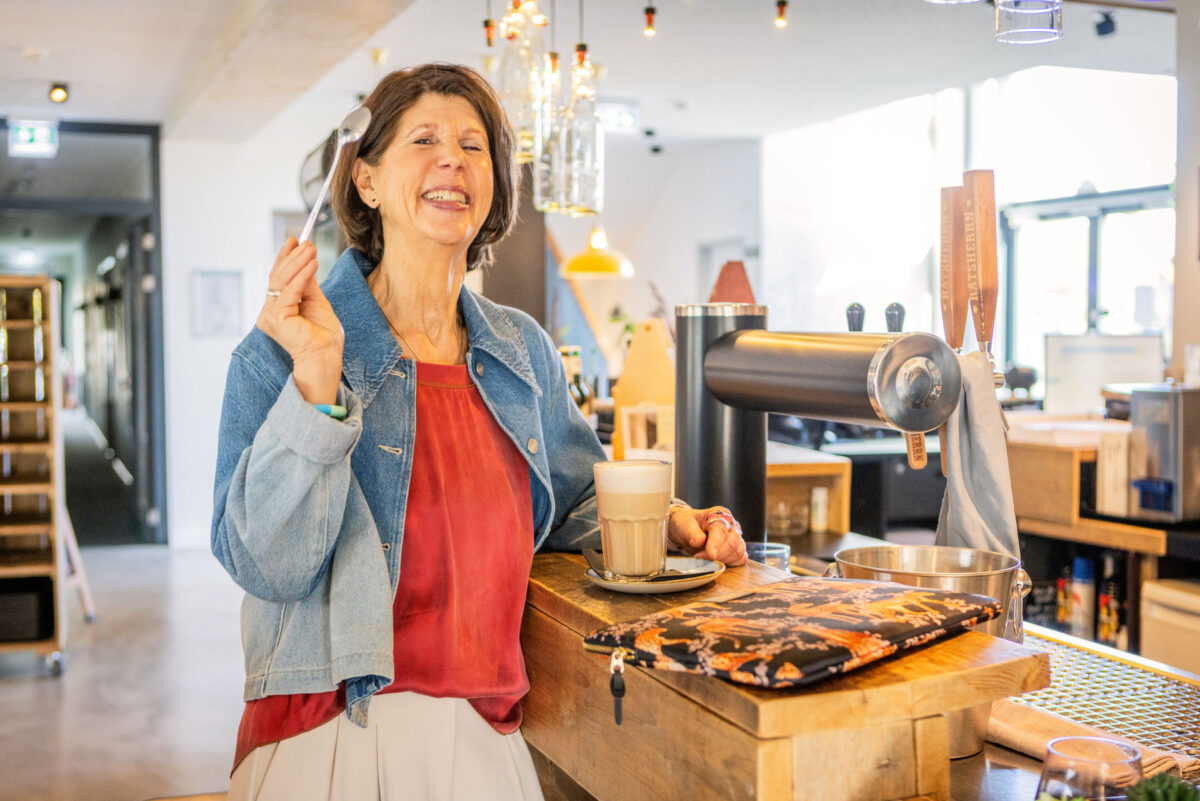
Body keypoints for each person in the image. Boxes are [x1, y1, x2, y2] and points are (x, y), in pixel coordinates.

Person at [211, 62, 747, 801]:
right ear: (366, 180)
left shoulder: (522, 350)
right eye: (423, 140)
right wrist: (317, 383)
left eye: (473, 146)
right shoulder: (284, 348)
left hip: (485, 736)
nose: (453, 161)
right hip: (331, 734)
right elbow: (266, 564)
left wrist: (668, 521)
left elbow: (573, 499)